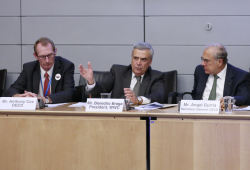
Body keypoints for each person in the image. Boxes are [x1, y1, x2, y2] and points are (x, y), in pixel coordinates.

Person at [79, 42, 165, 104]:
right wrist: (91, 81)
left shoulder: (156, 76)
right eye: (135, 58)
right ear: (131, 58)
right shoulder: (117, 71)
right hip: (117, 117)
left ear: (150, 62)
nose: (138, 63)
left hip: (142, 118)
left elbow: (158, 96)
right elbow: (101, 90)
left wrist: (138, 100)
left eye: (143, 59)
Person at [3, 37, 75, 104]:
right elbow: (12, 90)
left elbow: (69, 92)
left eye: (50, 55)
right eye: (42, 57)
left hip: (57, 111)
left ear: (55, 52)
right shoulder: (29, 68)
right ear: (36, 56)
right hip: (35, 112)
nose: (47, 60)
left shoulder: (66, 66)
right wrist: (19, 97)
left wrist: (45, 99)